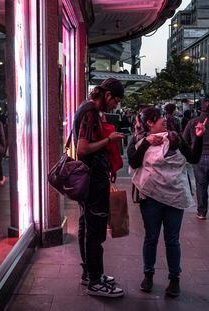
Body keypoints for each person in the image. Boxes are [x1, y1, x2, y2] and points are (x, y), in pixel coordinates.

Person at [127, 107, 205, 297]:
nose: (164, 119)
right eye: (159, 118)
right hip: (151, 198)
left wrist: (199, 137)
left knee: (172, 240)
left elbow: (193, 158)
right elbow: (133, 162)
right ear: (149, 123)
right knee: (151, 238)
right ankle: (148, 275)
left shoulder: (175, 138)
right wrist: (146, 142)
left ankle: (174, 279)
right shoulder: (138, 140)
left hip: (174, 197)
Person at [73, 78, 125, 298]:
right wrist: (109, 140)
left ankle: (90, 273)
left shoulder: (85, 108)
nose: (116, 106)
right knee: (95, 231)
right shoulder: (91, 112)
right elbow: (83, 149)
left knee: (87, 225)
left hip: (90, 178)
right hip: (93, 180)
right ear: (107, 95)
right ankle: (95, 281)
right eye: (116, 101)